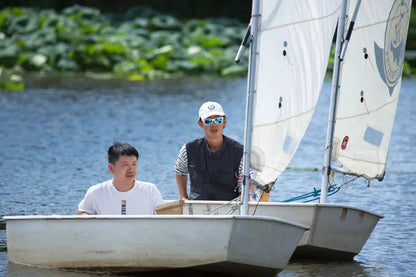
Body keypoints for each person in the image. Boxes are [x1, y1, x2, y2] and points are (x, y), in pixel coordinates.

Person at [174, 101, 243, 201]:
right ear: (200, 123)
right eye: (208, 121)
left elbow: (245, 183)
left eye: (218, 120)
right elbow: (179, 171)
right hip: (197, 208)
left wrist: (241, 202)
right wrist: (183, 197)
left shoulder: (240, 152)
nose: (214, 125)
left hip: (230, 210)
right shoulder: (188, 149)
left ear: (224, 122)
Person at [77, 142, 163, 215]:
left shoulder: (150, 190)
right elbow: (82, 210)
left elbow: (163, 216)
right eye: (125, 165)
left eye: (134, 164)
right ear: (111, 167)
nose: (131, 169)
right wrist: (85, 217)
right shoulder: (96, 192)